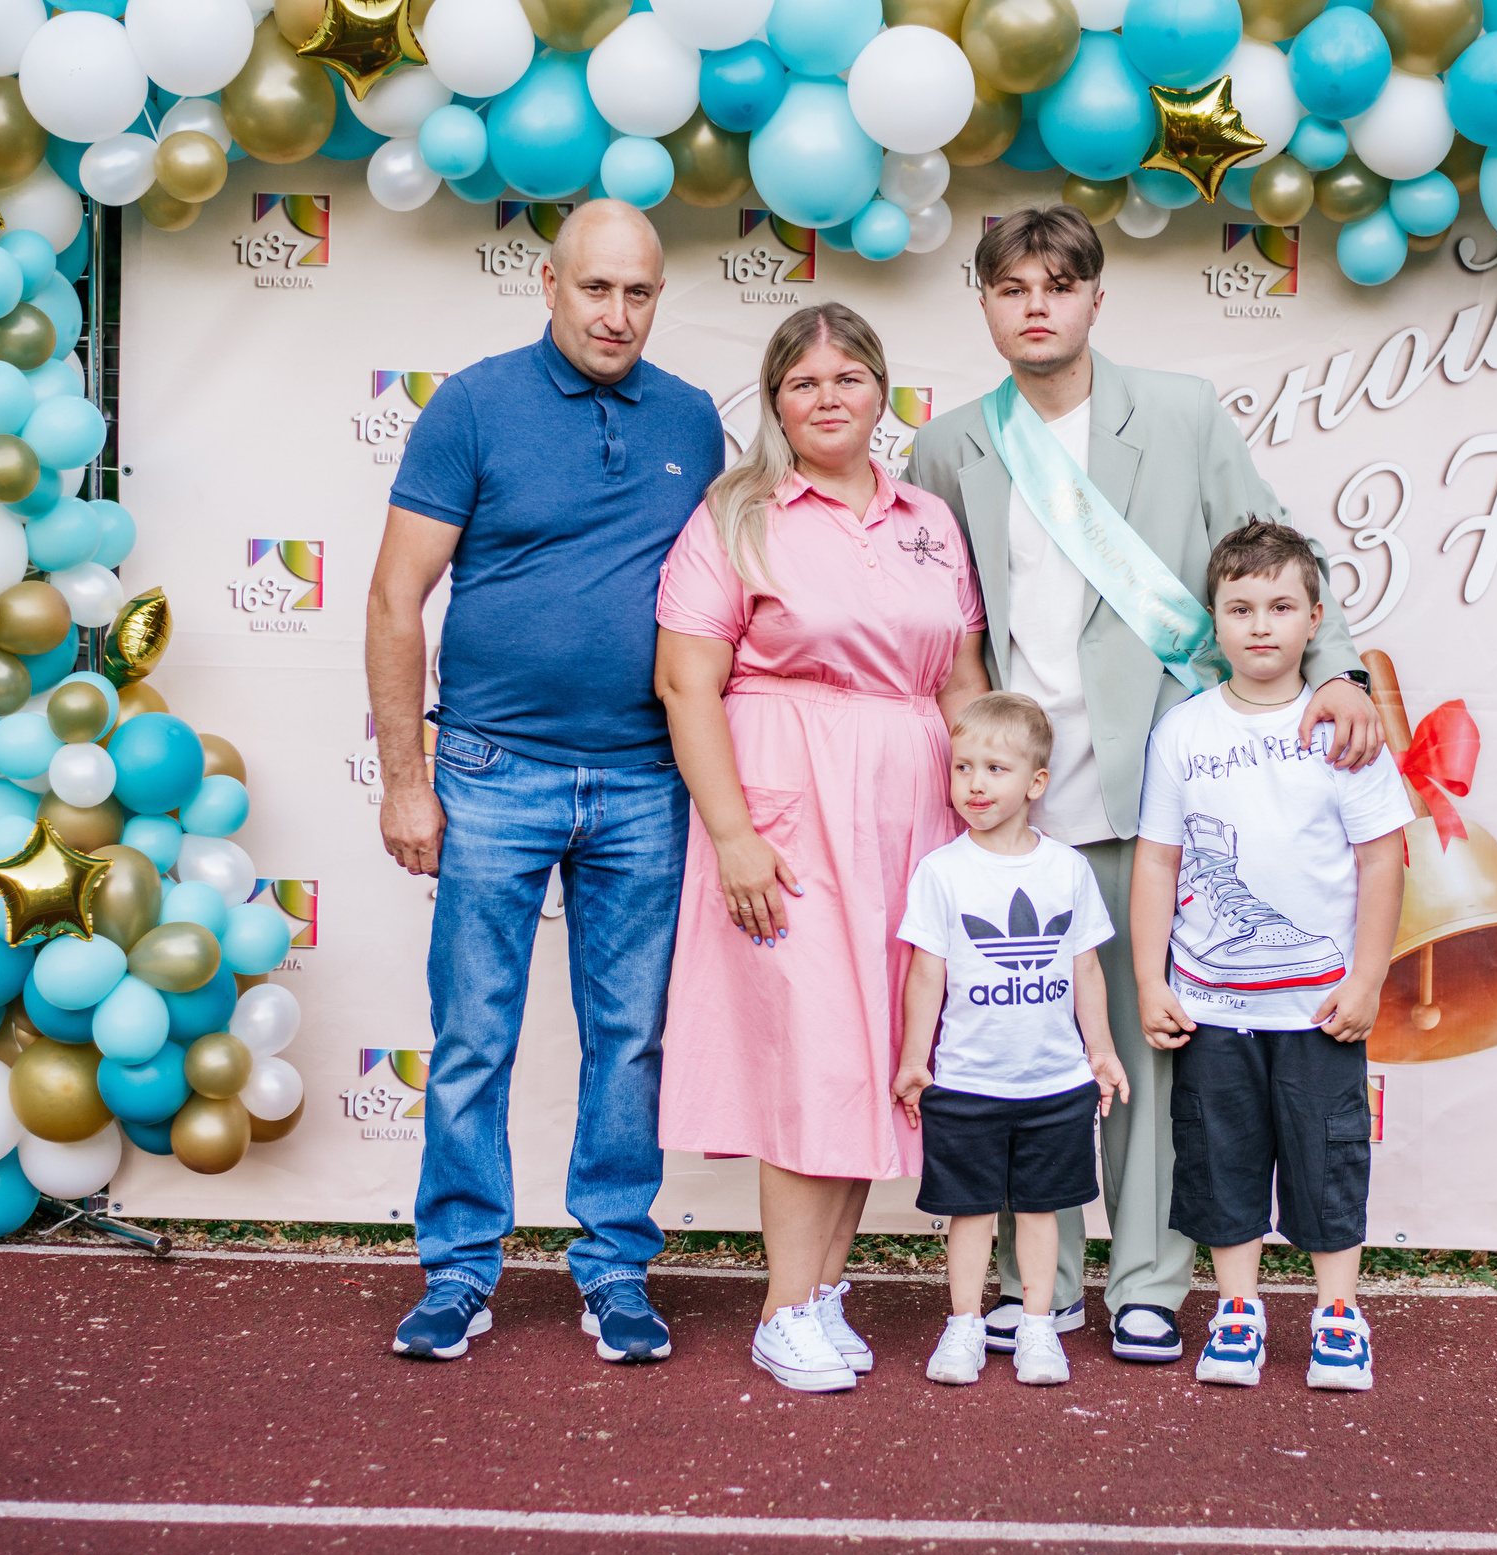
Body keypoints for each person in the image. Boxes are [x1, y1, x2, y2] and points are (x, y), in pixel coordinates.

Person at [904, 203, 1386, 1366]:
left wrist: (1343, 671)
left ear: (1092, 300)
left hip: (1158, 793)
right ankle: (1046, 1280)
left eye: (1057, 285)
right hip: (1017, 799)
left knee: (1151, 1046)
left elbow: (1272, 552)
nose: (1035, 305)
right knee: (1029, 1049)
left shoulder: (1175, 413)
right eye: (1010, 286)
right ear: (982, 303)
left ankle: (1149, 1276)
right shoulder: (949, 445)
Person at [365, 201, 725, 1364]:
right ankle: (460, 1271)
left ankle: (615, 1268)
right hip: (489, 768)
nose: (617, 314)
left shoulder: (689, 420)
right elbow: (392, 601)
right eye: (596, 289)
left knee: (628, 1039)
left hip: (642, 780)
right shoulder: (470, 405)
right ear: (548, 282)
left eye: (640, 293)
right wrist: (405, 781)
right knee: (472, 1032)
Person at [654, 303, 991, 1394]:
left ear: (881, 390)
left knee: (871, 1060)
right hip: (786, 805)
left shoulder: (931, 518)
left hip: (910, 813)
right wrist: (734, 834)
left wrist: (983, 826)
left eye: (849, 376)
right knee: (810, 1057)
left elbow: (960, 681)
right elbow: (685, 682)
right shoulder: (733, 516)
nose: (828, 396)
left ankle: (824, 1289)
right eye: (803, 383)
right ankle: (783, 1308)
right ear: (775, 402)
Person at [1131, 520, 1412, 1391]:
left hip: (1318, 1005)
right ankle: (1239, 1309)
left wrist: (1367, 977)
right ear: (1213, 622)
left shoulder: (1342, 726)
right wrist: (1150, 977)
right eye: (1240, 606)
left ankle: (1337, 1314)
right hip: (1214, 1005)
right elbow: (1157, 859)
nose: (1261, 624)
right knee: (1222, 1158)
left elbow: (1381, 858)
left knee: (1329, 1159)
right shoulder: (1183, 731)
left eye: (1282, 606)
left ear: (1314, 617)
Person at [891, 692, 1129, 1388]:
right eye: (963, 766)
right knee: (969, 1214)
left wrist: (1102, 1049)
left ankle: (1037, 1326)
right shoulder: (942, 871)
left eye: (995, 768)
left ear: (1035, 783)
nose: (974, 783)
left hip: (1054, 1085)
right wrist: (914, 1058)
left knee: (1039, 1210)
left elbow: (1085, 967)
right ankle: (963, 1324)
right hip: (966, 1083)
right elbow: (925, 973)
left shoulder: (1066, 870)